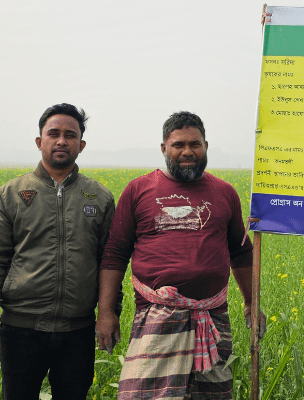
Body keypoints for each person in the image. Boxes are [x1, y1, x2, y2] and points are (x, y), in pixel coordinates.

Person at [96, 111, 265, 400]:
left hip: (212, 317)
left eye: (195, 144)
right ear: (164, 148)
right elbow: (115, 254)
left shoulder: (225, 193)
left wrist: (251, 302)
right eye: (178, 145)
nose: (187, 151)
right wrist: (106, 312)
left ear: (205, 146)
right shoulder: (138, 190)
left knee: (210, 395)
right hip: (156, 317)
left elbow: (240, 252)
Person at [0, 103, 115, 400]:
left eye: (70, 135)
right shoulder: (10, 194)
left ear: (81, 145)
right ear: (40, 141)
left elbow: (109, 263)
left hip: (78, 331)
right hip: (20, 329)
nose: (61, 141)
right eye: (53, 134)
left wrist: (109, 313)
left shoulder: (99, 197)